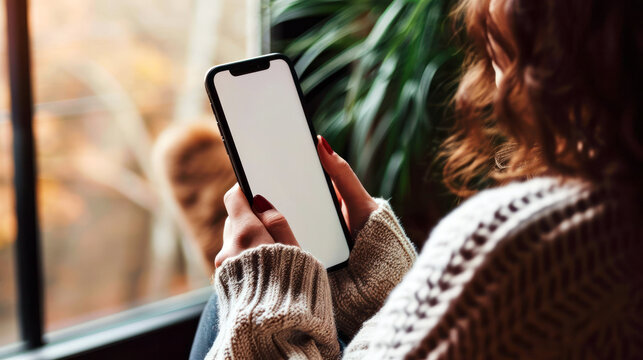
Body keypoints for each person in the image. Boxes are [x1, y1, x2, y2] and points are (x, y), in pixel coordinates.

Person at [184, 0, 643, 358]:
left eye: (502, 51)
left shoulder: (534, 235)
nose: (494, 80)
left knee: (229, 300)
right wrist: (390, 290)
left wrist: (261, 294)